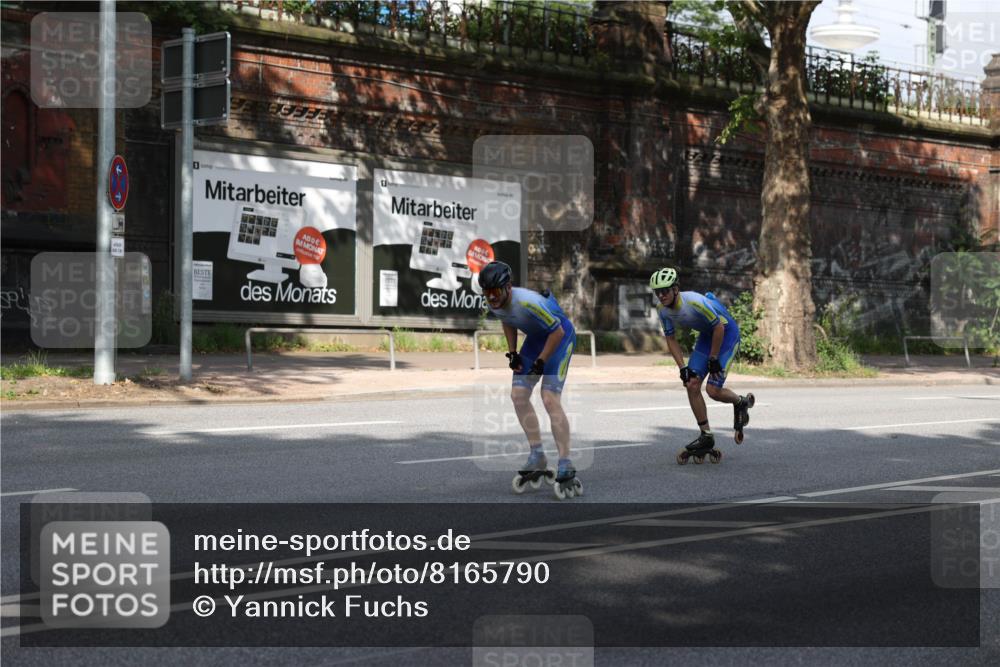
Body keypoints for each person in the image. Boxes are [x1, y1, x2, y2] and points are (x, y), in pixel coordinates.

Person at [478, 261, 582, 499]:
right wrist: (513, 352)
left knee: (549, 398)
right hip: (536, 339)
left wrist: (541, 361)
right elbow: (507, 319)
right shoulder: (496, 301)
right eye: (487, 292)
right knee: (518, 395)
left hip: (560, 337)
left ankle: (565, 462)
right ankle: (537, 455)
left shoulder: (527, 301)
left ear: (508, 287)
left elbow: (557, 331)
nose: (491, 297)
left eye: (495, 291)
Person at [649, 267, 755, 464]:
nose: (661, 295)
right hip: (708, 337)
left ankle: (740, 402)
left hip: (726, 334)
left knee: (713, 390)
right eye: (658, 292)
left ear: (675, 289)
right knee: (691, 384)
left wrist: (713, 358)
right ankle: (706, 435)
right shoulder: (662, 310)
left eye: (665, 291)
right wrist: (682, 368)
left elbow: (719, 327)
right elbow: (671, 339)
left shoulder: (694, 302)